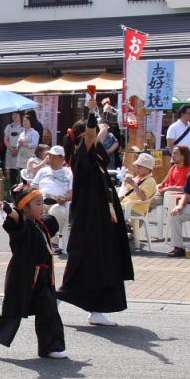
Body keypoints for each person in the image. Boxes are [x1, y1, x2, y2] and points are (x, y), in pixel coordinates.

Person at [57, 105, 134, 327]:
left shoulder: (96, 158)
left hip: (104, 219)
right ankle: (57, 298)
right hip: (89, 221)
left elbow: (97, 136)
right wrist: (93, 114)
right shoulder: (82, 156)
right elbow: (93, 136)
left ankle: (97, 309)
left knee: (106, 263)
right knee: (85, 261)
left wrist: (102, 122)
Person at [0, 185, 66, 360]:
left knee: (49, 310)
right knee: (12, 313)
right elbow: (15, 215)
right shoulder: (20, 224)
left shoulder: (40, 223)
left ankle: (51, 347)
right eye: (38, 204)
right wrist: (5, 207)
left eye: (42, 203)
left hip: (43, 276)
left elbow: (53, 220)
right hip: (22, 275)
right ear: (25, 207)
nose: (42, 207)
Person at [31, 145, 72, 248]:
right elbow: (33, 188)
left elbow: (73, 193)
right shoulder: (42, 171)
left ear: (62, 158)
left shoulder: (69, 173)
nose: (51, 160)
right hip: (41, 200)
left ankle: (53, 241)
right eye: (50, 157)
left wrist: (65, 199)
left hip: (58, 202)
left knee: (59, 211)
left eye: (54, 157)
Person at [120, 152, 158, 239]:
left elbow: (143, 197)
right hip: (128, 205)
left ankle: (124, 231)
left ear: (148, 168)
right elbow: (129, 190)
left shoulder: (150, 181)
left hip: (137, 208)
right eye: (137, 165)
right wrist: (126, 182)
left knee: (111, 210)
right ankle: (124, 231)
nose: (136, 167)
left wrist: (133, 184)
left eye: (139, 166)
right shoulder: (138, 177)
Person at [3, 112, 23, 182]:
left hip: (20, 151)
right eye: (13, 115)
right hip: (10, 150)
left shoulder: (23, 127)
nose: (14, 116)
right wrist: (12, 150)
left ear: (20, 115)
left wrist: (17, 150)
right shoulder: (9, 126)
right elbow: (5, 139)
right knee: (9, 171)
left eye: (16, 114)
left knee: (18, 171)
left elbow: (23, 141)